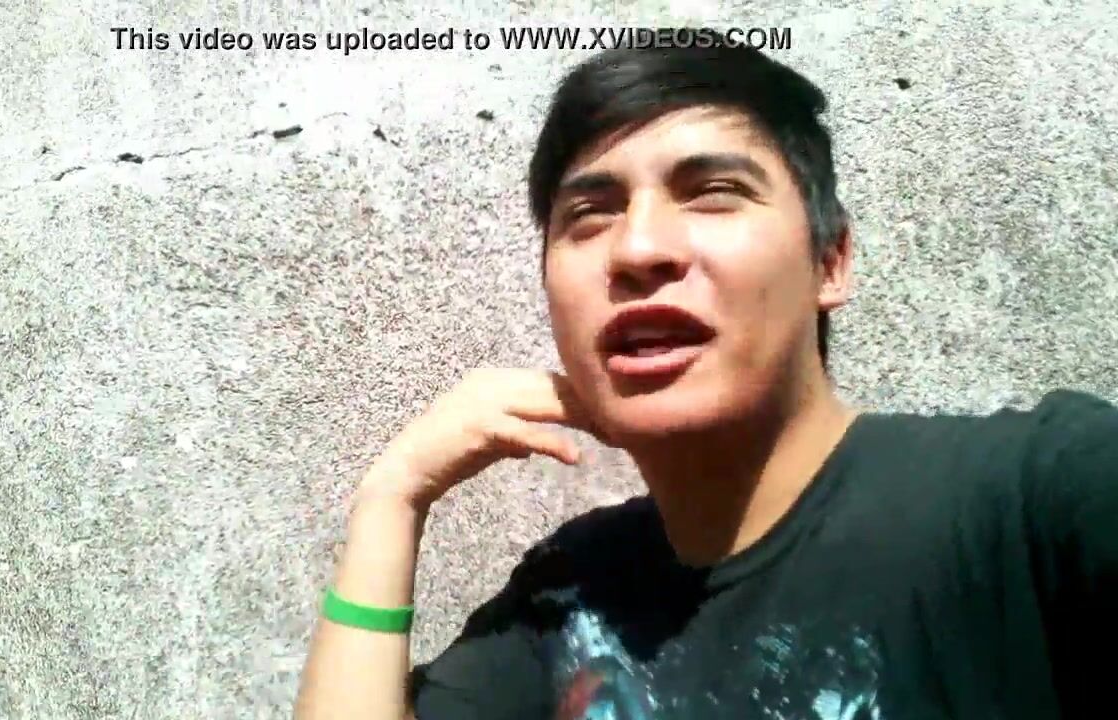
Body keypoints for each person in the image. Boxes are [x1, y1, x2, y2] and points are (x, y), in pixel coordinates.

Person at [293, 29, 1118, 720]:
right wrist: (391, 499)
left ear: (830, 261)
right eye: (590, 213)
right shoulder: (570, 598)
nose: (638, 249)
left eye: (714, 192)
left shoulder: (1033, 499)